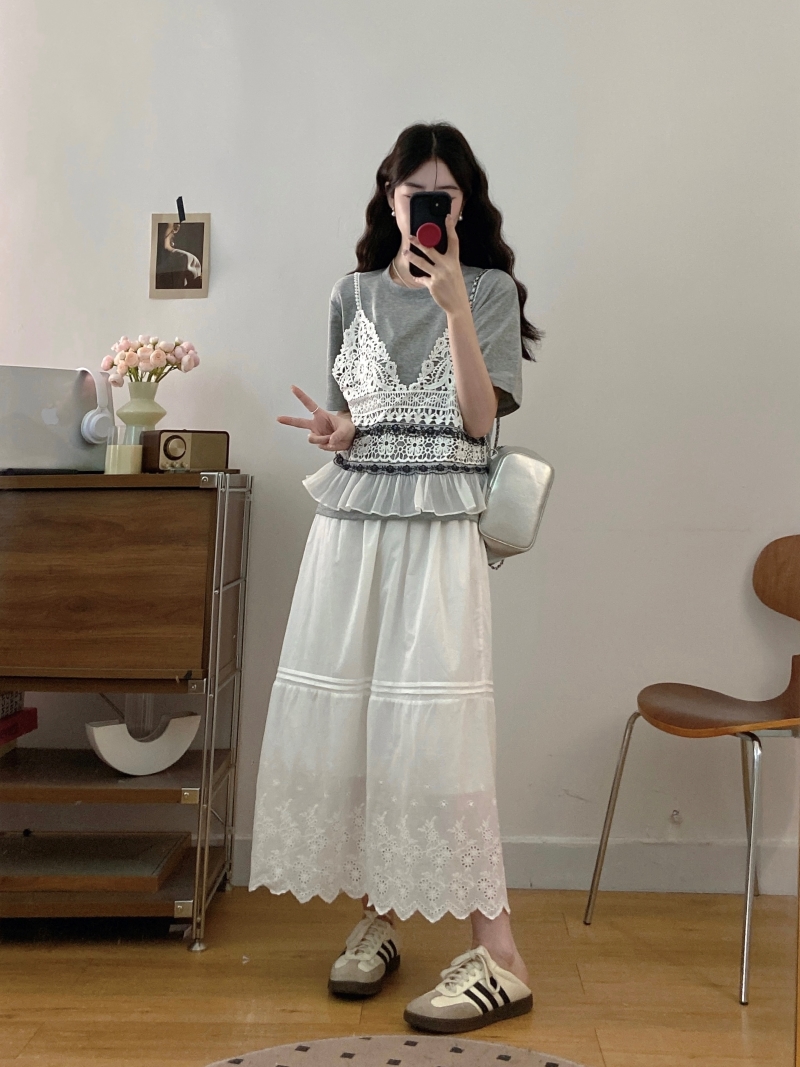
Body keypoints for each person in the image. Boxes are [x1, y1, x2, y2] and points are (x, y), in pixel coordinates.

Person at [250, 122, 541, 1034]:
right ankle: (383, 910)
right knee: (368, 718)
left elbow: (479, 421)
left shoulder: (487, 291)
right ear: (390, 198)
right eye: (415, 193)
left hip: (440, 530)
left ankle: (501, 952)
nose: (429, 207)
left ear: (464, 204)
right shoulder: (351, 293)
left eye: (445, 195)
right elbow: (352, 416)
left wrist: (455, 308)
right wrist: (338, 431)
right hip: (351, 524)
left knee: (440, 725)